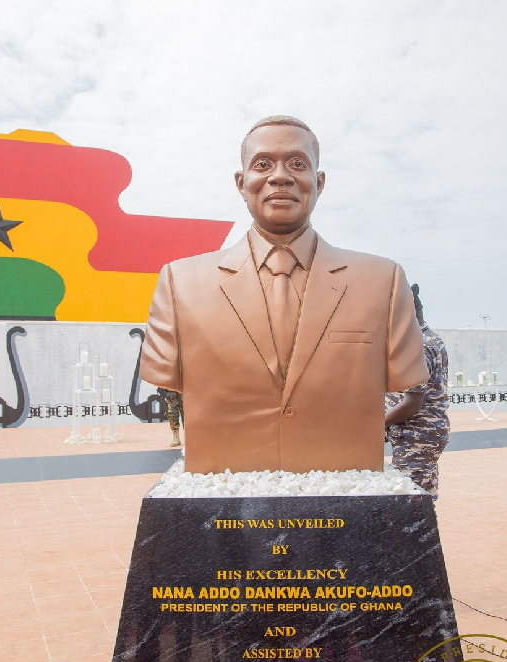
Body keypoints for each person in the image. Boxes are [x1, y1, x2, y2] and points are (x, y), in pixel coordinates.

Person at [140, 116, 428, 474]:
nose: (280, 176)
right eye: (263, 164)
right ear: (241, 183)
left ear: (319, 183)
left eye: (297, 164)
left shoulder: (383, 282)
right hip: (223, 478)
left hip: (346, 475)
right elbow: (162, 371)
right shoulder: (179, 283)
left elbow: (406, 377)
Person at [385, 284, 450, 497]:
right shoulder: (429, 338)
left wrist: (374, 424)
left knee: (410, 501)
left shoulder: (418, 345)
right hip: (421, 433)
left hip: (416, 436)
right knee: (423, 497)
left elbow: (411, 405)